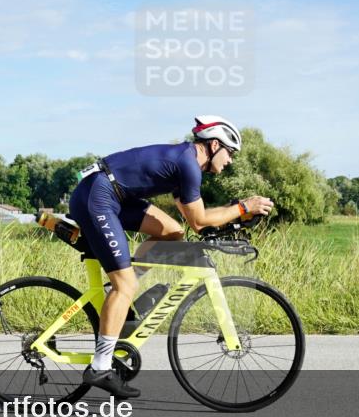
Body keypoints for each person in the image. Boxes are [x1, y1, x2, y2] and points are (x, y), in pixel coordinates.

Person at [68, 115, 274, 398]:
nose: (231, 161)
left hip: (113, 194)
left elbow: (190, 223)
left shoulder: (187, 162)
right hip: (98, 195)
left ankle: (116, 294)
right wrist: (242, 207)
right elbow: (200, 221)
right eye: (230, 153)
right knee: (125, 285)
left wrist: (235, 213)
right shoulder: (188, 165)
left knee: (172, 232)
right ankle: (100, 366)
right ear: (214, 145)